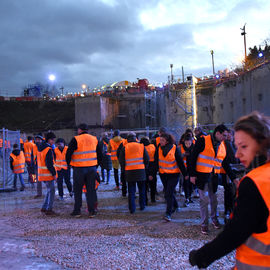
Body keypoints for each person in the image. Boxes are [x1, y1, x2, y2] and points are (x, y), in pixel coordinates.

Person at [189, 111, 270, 269]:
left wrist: (201, 257)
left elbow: (235, 232)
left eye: (244, 146)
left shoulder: (256, 182)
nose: (238, 155)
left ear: (263, 143)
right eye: (237, 147)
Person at [190, 124, 237, 234]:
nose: (226, 138)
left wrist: (233, 177)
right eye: (224, 135)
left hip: (214, 177)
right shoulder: (203, 141)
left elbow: (224, 163)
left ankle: (214, 219)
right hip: (202, 176)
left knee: (214, 200)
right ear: (217, 133)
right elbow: (193, 157)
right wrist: (192, 175)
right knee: (204, 200)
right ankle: (204, 224)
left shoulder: (222, 145)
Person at [66, 123, 102, 218]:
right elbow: (100, 154)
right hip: (92, 168)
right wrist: (95, 165)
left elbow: (68, 153)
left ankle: (77, 211)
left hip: (79, 169)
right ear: (87, 130)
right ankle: (92, 211)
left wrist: (70, 165)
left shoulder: (76, 139)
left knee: (78, 190)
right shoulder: (94, 139)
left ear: (80, 130)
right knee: (91, 190)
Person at [151, 133, 187, 221]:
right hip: (163, 175)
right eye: (160, 140)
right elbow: (156, 162)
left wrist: (185, 174)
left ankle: (168, 213)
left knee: (168, 194)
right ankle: (175, 206)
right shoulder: (158, 148)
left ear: (167, 141)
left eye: (162, 140)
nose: (160, 141)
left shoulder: (175, 148)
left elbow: (180, 163)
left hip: (174, 175)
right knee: (169, 192)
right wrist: (152, 174)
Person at [119, 132, 149, 214]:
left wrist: (123, 170)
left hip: (129, 172)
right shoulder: (141, 146)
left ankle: (132, 209)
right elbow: (147, 159)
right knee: (142, 190)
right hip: (140, 171)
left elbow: (121, 161)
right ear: (135, 138)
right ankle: (142, 206)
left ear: (127, 139)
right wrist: (144, 167)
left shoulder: (125, 148)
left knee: (131, 191)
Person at [37, 132, 57, 216]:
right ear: (49, 140)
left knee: (49, 190)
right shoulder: (48, 149)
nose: (53, 142)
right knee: (51, 191)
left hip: (42, 174)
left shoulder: (40, 147)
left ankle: (44, 207)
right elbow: (49, 164)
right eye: (53, 140)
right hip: (48, 174)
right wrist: (54, 174)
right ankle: (49, 209)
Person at [140, 137, 157, 204]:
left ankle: (145, 200)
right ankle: (153, 198)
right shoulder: (153, 146)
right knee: (153, 184)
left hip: (144, 167)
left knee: (144, 185)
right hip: (152, 167)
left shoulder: (141, 148)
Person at [180, 134, 194, 207]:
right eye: (186, 143)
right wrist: (183, 155)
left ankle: (190, 197)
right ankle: (187, 198)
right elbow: (179, 158)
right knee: (185, 184)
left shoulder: (194, 148)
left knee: (191, 184)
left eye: (189, 143)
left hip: (192, 169)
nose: (187, 145)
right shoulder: (181, 148)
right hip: (184, 170)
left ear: (191, 142)